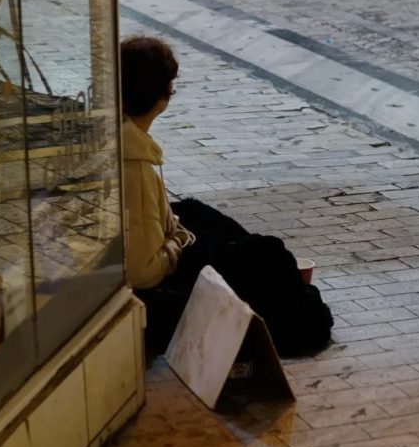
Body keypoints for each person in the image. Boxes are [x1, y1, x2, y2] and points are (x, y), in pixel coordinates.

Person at [120, 35, 333, 358]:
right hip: (157, 287)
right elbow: (144, 271)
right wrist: (177, 240)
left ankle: (289, 288)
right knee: (266, 253)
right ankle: (296, 304)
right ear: (164, 96)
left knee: (201, 214)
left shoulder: (125, 138)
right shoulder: (135, 169)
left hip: (151, 250)